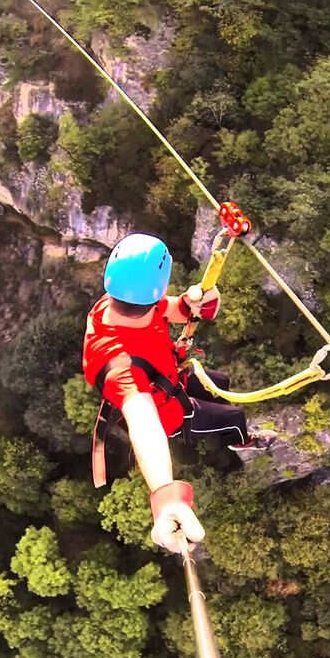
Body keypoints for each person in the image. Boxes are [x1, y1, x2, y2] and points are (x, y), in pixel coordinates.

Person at [82, 233, 275, 554]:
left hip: (171, 382)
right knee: (236, 417)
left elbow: (167, 309)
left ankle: (217, 411)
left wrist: (191, 306)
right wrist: (165, 493)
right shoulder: (117, 364)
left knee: (222, 382)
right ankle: (241, 440)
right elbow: (142, 420)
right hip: (169, 414)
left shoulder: (117, 300)